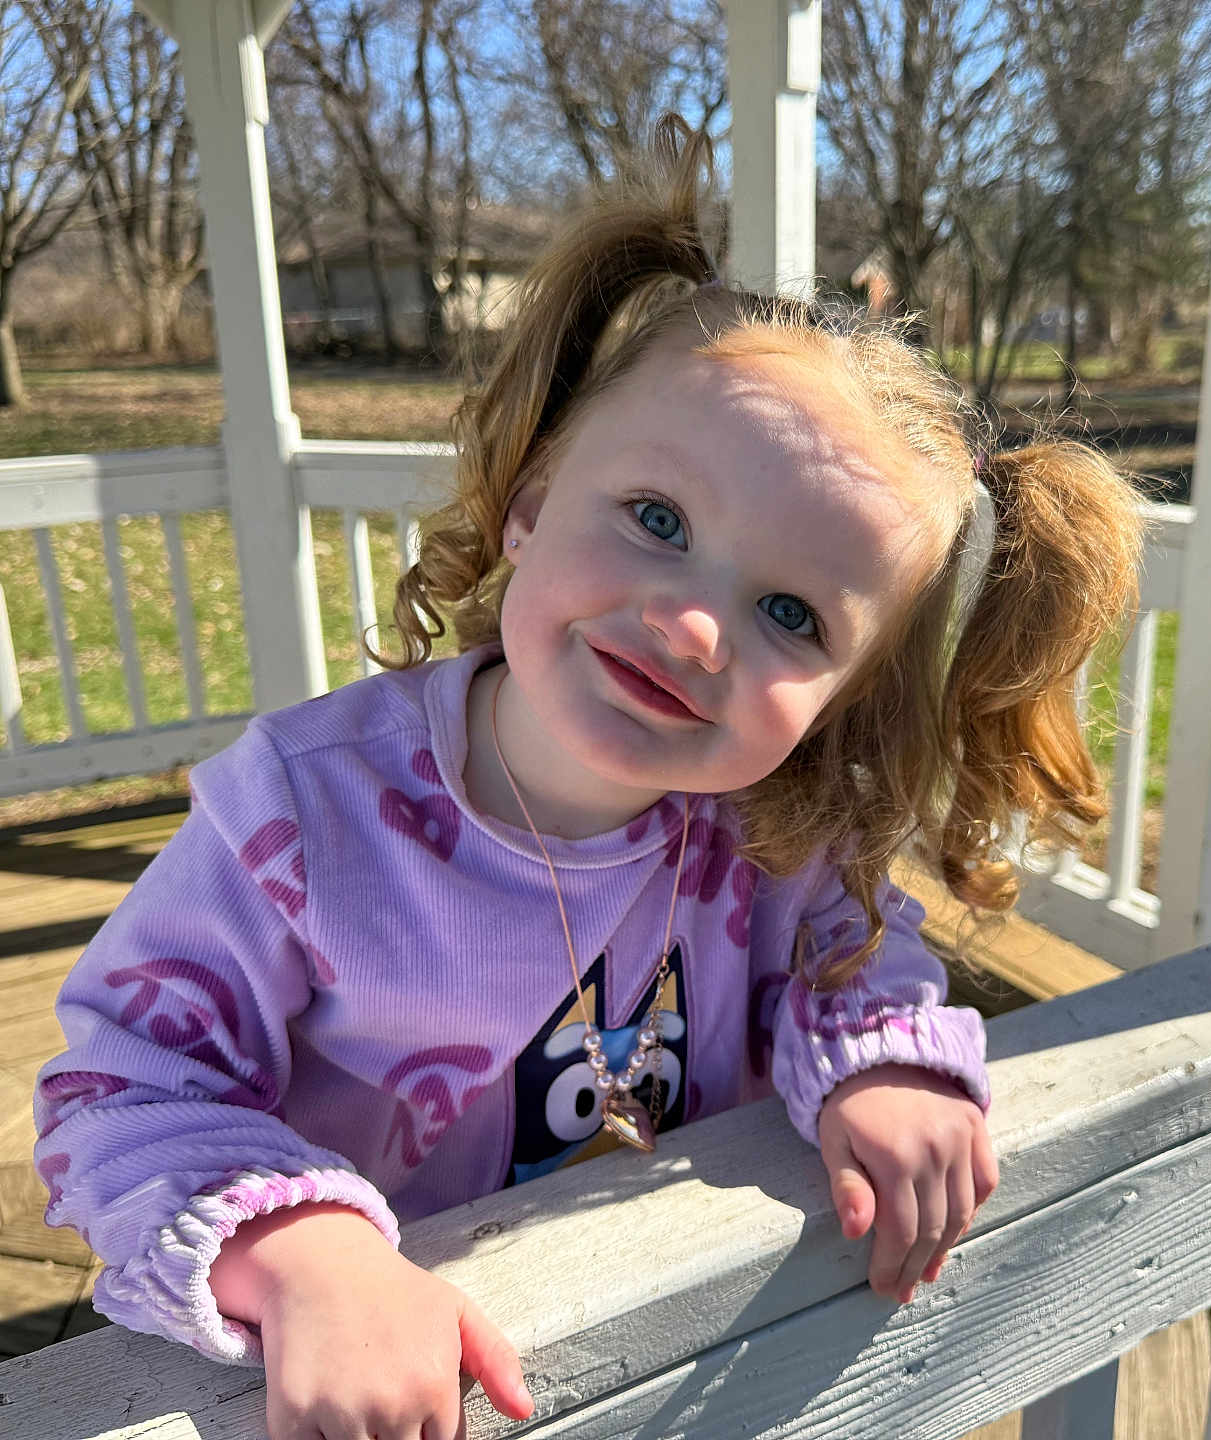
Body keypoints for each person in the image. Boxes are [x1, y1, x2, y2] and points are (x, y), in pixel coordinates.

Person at [34, 117, 1144, 1440]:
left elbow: (857, 957)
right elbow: (121, 1081)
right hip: (342, 1388)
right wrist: (303, 1251)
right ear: (531, 502)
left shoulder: (764, 831)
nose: (695, 627)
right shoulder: (303, 813)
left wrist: (880, 1067)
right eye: (658, 521)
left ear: (843, 705)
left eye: (793, 616)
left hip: (662, 1351)